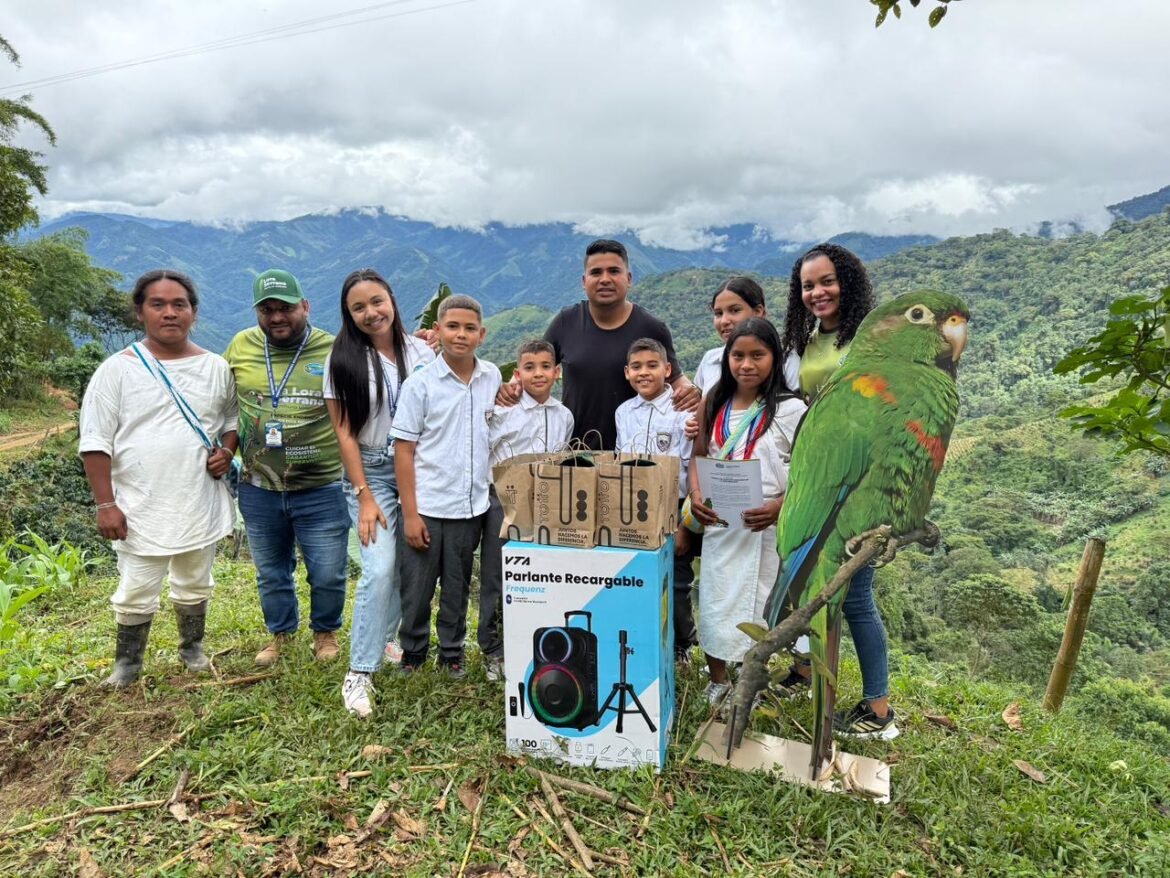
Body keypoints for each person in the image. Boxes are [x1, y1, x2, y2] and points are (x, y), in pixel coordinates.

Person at [79, 270, 238, 688]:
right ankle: (127, 666)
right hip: (139, 505)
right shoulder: (115, 372)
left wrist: (227, 453)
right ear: (140, 312)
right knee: (136, 587)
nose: (170, 313)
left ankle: (192, 649)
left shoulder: (215, 367)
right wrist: (106, 504)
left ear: (193, 312)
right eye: (158, 304)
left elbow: (230, 422)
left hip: (198, 499)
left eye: (179, 304)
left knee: (194, 580)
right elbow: (95, 442)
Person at [779, 244, 897, 739]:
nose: (817, 292)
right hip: (815, 478)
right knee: (808, 581)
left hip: (858, 483)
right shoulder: (808, 340)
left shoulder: (873, 340)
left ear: (848, 281)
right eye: (808, 285)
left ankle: (880, 710)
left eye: (827, 281)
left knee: (856, 596)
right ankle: (808, 671)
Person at [324, 269, 435, 717]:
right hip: (370, 471)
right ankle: (360, 671)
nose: (371, 313)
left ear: (392, 299)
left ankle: (386, 638)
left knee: (409, 568)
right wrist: (364, 493)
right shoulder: (343, 360)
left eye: (377, 301)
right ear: (349, 315)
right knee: (379, 566)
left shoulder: (421, 350)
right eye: (359, 307)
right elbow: (345, 434)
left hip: (419, 468)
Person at [224, 269, 349, 666]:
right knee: (271, 571)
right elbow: (223, 405)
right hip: (258, 486)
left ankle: (325, 632)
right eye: (267, 310)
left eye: (286, 308)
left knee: (327, 571)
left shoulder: (334, 349)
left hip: (321, 486)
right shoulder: (241, 345)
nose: (277, 317)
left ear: (306, 306)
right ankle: (279, 634)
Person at [686, 318, 806, 705]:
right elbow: (698, 457)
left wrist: (779, 507)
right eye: (738, 355)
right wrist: (698, 495)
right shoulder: (714, 400)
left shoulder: (791, 410)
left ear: (774, 358)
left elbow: (807, 473)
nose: (746, 364)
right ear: (727, 358)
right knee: (716, 598)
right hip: (722, 520)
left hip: (767, 524)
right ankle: (718, 678)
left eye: (758, 355)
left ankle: (751, 679)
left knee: (760, 603)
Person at [498, 239, 701, 449]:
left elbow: (676, 379)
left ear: (629, 278)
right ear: (584, 281)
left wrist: (694, 394)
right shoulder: (565, 322)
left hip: (633, 457)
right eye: (596, 273)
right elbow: (535, 365)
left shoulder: (651, 328)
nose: (605, 279)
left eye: (614, 271)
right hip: (573, 454)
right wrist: (511, 387)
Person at [392, 294, 501, 677]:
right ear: (436, 332)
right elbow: (404, 451)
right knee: (418, 588)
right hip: (427, 505)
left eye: (470, 328)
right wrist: (409, 513)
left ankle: (451, 651)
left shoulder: (492, 378)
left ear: (482, 334)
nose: (461, 334)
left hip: (470, 507)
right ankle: (414, 651)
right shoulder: (420, 385)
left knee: (457, 587)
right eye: (452, 326)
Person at [480, 339, 574, 680]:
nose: (538, 374)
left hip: (546, 504)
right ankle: (493, 649)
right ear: (518, 373)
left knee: (538, 573)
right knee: (497, 573)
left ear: (557, 373)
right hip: (502, 502)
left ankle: (535, 641)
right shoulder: (502, 412)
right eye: (530, 367)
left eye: (545, 367)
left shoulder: (564, 415)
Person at [614, 338, 696, 657]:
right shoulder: (623, 412)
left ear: (667, 369)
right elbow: (622, 459)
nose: (644, 373)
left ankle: (682, 646)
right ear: (626, 373)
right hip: (634, 509)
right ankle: (645, 642)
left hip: (672, 508)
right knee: (638, 576)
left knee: (676, 580)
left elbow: (688, 467)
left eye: (652, 365)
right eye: (636, 367)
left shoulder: (681, 411)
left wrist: (684, 525)